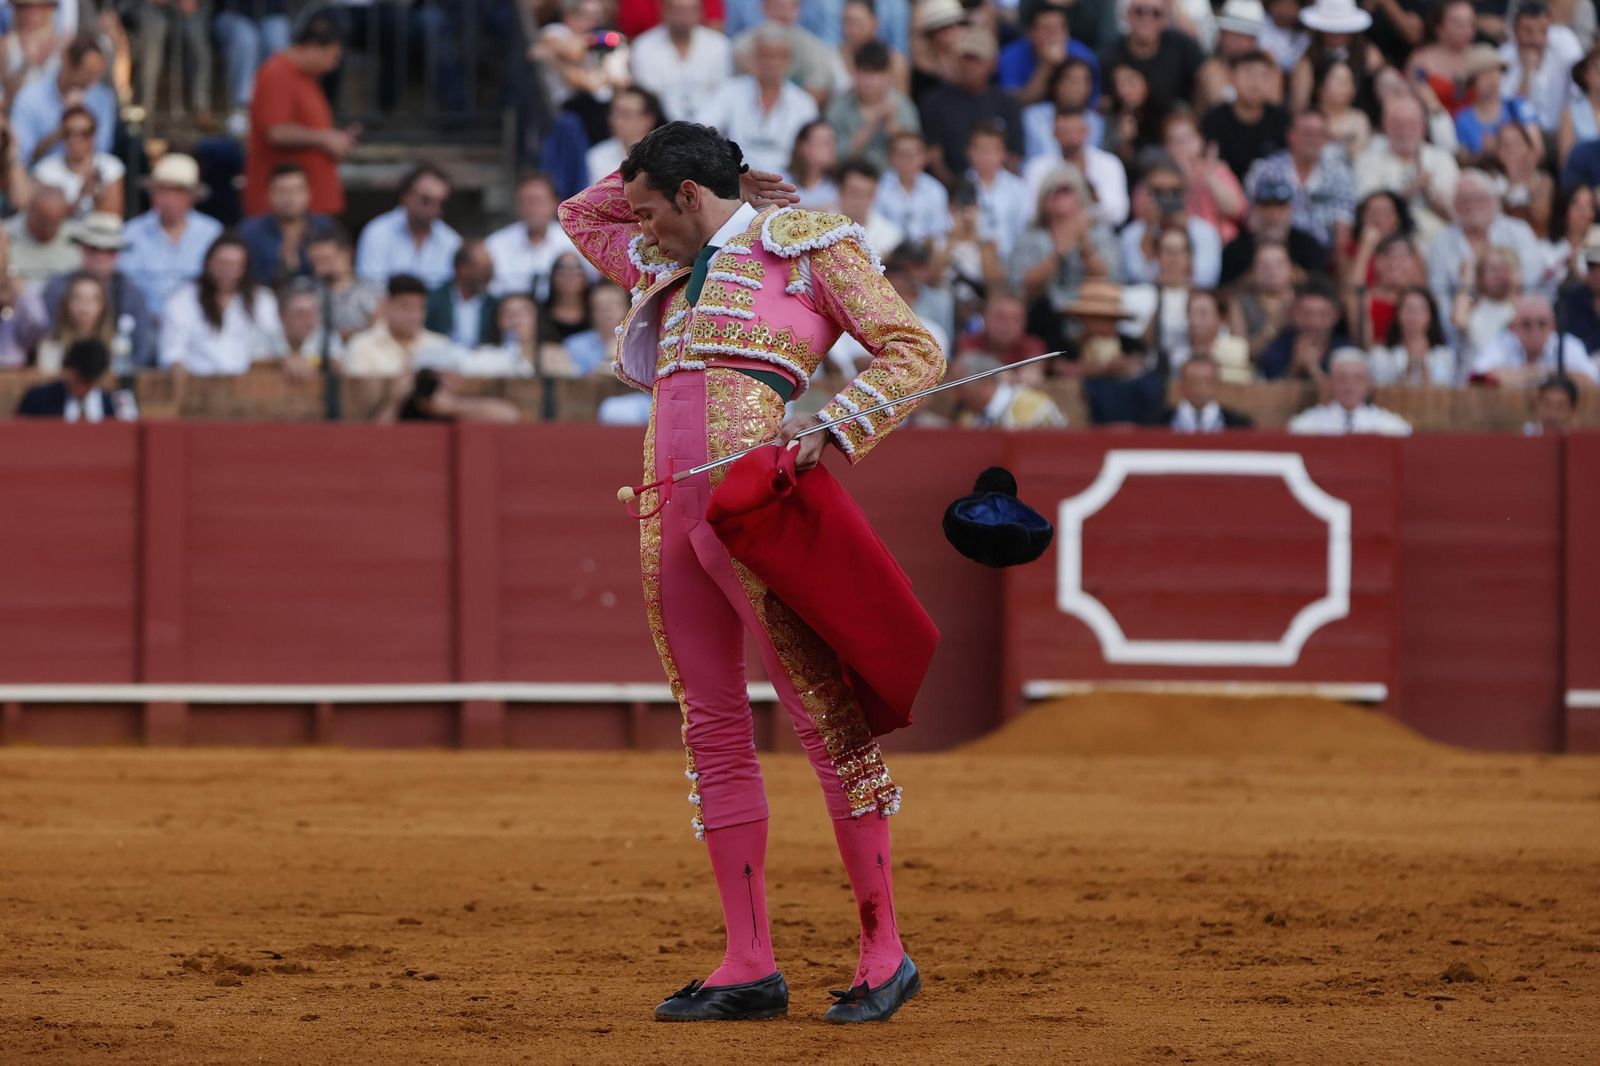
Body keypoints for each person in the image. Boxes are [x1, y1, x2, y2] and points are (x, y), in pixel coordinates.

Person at [557, 120, 942, 1023]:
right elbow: (582, 214)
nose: (638, 230)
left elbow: (915, 348)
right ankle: (747, 960)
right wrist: (714, 177)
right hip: (666, 511)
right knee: (712, 727)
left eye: (653, 210)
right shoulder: (662, 262)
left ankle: (884, 952)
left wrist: (836, 427)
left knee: (822, 719)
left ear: (689, 199)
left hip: (756, 506)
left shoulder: (808, 247)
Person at [245, 10, 353, 218]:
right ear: (314, 48)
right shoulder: (277, 73)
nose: (334, 65)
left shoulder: (307, 79)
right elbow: (276, 131)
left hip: (312, 211)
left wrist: (336, 140)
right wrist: (326, 138)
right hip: (284, 214)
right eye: (333, 56)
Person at [1009, 165, 1118, 352]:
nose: (1058, 195)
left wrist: (1083, 243)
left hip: (1089, 317)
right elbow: (1022, 286)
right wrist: (1059, 253)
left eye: (1066, 190)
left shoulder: (1099, 233)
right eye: (1053, 190)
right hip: (1044, 317)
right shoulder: (1030, 235)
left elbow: (1109, 279)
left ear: (1081, 197)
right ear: (1043, 199)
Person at [696, 27, 820, 176]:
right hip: (737, 179)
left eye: (779, 56)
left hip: (789, 183)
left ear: (789, 61)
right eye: (766, 56)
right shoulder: (729, 91)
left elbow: (813, 150)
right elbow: (702, 127)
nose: (772, 63)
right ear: (754, 59)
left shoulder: (804, 102)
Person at [39, 212, 155, 370]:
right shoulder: (57, 288)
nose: (101, 256)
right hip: (63, 375)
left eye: (110, 251)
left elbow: (141, 351)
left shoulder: (132, 294)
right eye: (93, 249)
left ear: (118, 254)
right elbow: (46, 338)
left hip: (113, 377)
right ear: (81, 248)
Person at [159, 234, 286, 377]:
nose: (228, 270)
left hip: (250, 385)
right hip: (199, 386)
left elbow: (275, 344)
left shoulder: (262, 298)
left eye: (236, 265)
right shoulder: (182, 299)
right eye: (223, 263)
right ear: (208, 263)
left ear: (244, 268)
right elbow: (173, 353)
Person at [917, 28, 1024, 186]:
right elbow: (934, 156)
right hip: (949, 190)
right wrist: (956, 190)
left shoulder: (1007, 103)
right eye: (965, 58)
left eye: (977, 59)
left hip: (1000, 190)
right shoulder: (935, 101)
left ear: (993, 63)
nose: (970, 65)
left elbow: (1014, 155)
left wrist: (995, 190)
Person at [121, 152, 224, 314]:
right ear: (152, 194)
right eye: (162, 190)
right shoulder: (130, 233)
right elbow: (125, 286)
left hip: (197, 322)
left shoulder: (212, 233)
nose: (168, 199)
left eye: (178, 192)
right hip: (143, 322)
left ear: (193, 197)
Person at [1243, 110, 1357, 254]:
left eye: (1319, 134)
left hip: (1321, 257)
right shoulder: (1267, 170)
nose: (1312, 139)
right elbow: (1252, 219)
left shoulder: (1339, 174)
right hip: (1275, 251)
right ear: (1291, 135)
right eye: (1307, 133)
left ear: (1326, 140)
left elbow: (1343, 227)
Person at [11, 33, 113, 167]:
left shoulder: (103, 98)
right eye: (88, 73)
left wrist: (84, 117)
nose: (94, 81)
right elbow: (24, 158)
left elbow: (102, 151)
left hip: (88, 180)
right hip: (40, 182)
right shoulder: (29, 98)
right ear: (68, 64)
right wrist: (63, 127)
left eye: (97, 74)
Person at [355, 164, 462, 289]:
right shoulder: (377, 233)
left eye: (442, 203)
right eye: (426, 200)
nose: (434, 208)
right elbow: (370, 289)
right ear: (406, 195)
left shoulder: (451, 241)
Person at [1021, 106, 1129, 227]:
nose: (1072, 138)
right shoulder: (1037, 167)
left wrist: (1095, 196)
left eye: (1077, 131)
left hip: (1097, 232)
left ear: (1087, 131)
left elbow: (1119, 214)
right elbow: (1030, 213)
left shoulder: (1109, 163)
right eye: (1065, 132)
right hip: (1050, 233)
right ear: (1054, 133)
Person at [1120, 158, 1222, 288]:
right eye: (1158, 191)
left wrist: (1184, 231)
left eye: (1175, 191)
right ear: (1147, 193)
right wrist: (1148, 232)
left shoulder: (1205, 232)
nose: (1167, 198)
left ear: (1185, 193)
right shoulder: (1132, 234)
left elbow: (1205, 279)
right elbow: (1137, 276)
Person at [629, 0, 735, 123]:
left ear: (700, 12)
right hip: (660, 130)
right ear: (665, 10)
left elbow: (723, 95)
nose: (685, 16)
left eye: (691, 9)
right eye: (678, 9)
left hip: (711, 130)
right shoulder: (643, 46)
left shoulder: (719, 45)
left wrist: (702, 129)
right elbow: (649, 98)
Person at [486, 172, 585, 301]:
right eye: (525, 201)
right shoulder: (495, 245)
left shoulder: (576, 243)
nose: (532, 208)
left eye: (538, 201)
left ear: (555, 204)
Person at [825, 40, 920, 172]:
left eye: (876, 74)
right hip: (847, 181)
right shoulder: (838, 106)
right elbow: (834, 156)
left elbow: (914, 154)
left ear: (888, 75)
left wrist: (893, 127)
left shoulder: (903, 106)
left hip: (892, 181)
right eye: (864, 72)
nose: (869, 81)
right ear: (854, 73)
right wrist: (871, 125)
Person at [1219, 175, 1331, 287]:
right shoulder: (1235, 250)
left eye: (1280, 207)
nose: (1273, 216)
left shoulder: (1308, 247)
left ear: (1290, 210)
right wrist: (1249, 280)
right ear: (1253, 210)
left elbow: (1324, 289)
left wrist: (1300, 279)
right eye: (1266, 207)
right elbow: (1219, 293)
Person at [1473, 292, 1600, 385]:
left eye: (1542, 323)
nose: (1535, 331)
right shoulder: (1501, 342)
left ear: (1553, 325)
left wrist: (1518, 376)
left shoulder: (1567, 344)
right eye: (1526, 324)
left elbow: (1589, 380)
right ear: (1514, 327)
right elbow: (1479, 377)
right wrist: (1549, 374)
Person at [239, 163, 334, 286]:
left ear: (309, 193)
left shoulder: (325, 227)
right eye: (282, 191)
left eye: (296, 190)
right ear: (269, 194)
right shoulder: (250, 232)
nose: (289, 197)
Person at [344, 273, 455, 379]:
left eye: (420, 308)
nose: (414, 316)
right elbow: (358, 393)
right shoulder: (361, 345)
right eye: (406, 307)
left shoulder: (440, 345)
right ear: (386, 305)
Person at [1201, 49, 1289, 182]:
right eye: (1248, 73)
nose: (1255, 82)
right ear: (1231, 77)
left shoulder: (1282, 120)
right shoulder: (1214, 119)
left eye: (1264, 76)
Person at [1099, 0, 1205, 108]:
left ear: (1165, 19)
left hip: (1172, 118)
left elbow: (1206, 70)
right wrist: (1119, 96)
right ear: (1127, 15)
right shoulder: (1110, 53)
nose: (1147, 18)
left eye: (1156, 13)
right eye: (1139, 12)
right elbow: (1099, 103)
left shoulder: (1181, 43)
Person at [1499, 0, 1583, 134]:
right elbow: (1511, 110)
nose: (1536, 39)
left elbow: (1579, 92)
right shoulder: (1504, 57)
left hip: (1563, 132)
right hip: (1524, 136)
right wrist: (1526, 72)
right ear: (1514, 31)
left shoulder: (1565, 42)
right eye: (1528, 31)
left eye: (1543, 31)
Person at [730, 0, 840, 101]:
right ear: (764, 8)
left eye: (789, 7)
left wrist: (789, 106)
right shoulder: (746, 40)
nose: (783, 13)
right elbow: (740, 55)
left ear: (798, 10)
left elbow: (818, 86)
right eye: (777, 6)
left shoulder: (811, 45)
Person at [1288, 348, 1414, 434]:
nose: (1349, 386)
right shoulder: (1308, 424)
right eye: (1342, 378)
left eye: (1357, 379)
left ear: (1368, 384)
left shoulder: (1389, 425)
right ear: (1331, 383)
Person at [1000, 1, 1100, 107]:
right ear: (1030, 33)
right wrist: (1046, 66)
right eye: (1046, 28)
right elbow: (1013, 104)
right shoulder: (1010, 56)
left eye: (1059, 28)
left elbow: (1089, 104)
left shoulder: (1084, 56)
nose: (1053, 35)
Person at [213, 0, 292, 133]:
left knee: (276, 43)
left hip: (272, 14)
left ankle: (276, 106)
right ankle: (242, 108)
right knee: (246, 41)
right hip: (233, 13)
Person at [30, 105, 122, 219]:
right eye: (69, 133)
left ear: (94, 135)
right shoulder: (45, 170)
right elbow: (46, 219)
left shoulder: (110, 166)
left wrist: (98, 197)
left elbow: (112, 219)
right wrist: (81, 197)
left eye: (84, 133)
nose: (76, 139)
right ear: (61, 135)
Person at [16, 337, 137, 422]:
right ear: (68, 370)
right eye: (79, 380)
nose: (83, 388)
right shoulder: (37, 399)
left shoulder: (117, 404)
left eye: (89, 382)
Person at [1259, 276, 1352, 381]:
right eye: (1306, 314)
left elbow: (1347, 395)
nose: (1314, 322)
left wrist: (1314, 369)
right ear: (1294, 313)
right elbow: (1269, 392)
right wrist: (1295, 368)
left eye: (1323, 315)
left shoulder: (1347, 352)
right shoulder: (1277, 348)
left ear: (1336, 315)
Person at [1455, 45, 1538, 158]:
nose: (1493, 79)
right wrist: (1484, 154)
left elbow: (1538, 150)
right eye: (1485, 74)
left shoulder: (1519, 107)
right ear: (1471, 82)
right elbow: (1463, 160)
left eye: (1497, 72)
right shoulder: (1463, 119)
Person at [139, 0, 212, 123]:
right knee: (154, 35)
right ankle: (147, 108)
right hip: (148, 7)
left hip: (191, 9)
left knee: (199, 44)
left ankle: (201, 106)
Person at [872, 132, 950, 246]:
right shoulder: (878, 186)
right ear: (890, 157)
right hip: (887, 252)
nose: (908, 160)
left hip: (924, 253)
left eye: (913, 154)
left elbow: (939, 231)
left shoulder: (936, 190)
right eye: (902, 155)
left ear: (924, 157)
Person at [951, 352, 1067, 428]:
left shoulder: (1036, 408)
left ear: (984, 382)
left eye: (959, 388)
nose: (956, 396)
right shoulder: (967, 418)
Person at [306, 226, 384, 340]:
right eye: (316, 261)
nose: (319, 268)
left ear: (346, 253)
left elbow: (382, 329)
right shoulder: (304, 290)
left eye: (326, 259)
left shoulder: (375, 291)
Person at [965, 121, 1028, 260]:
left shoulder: (1019, 189)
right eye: (980, 149)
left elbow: (1024, 232)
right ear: (969, 151)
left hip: (1010, 263)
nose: (986, 155)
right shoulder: (960, 185)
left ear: (1003, 153)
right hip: (970, 261)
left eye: (992, 150)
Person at [1369, 286, 1456, 385]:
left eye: (1420, 310)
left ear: (1431, 316)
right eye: (1409, 309)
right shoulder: (1381, 355)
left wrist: (1423, 367)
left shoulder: (1444, 355)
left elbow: (1443, 392)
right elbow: (1382, 392)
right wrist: (1408, 370)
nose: (1414, 315)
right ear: (1397, 314)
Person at [425, 239, 500, 351]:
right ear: (462, 269)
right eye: (483, 269)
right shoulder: (434, 301)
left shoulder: (493, 305)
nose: (489, 275)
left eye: (490, 268)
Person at [34, 270, 112, 374]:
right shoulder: (51, 344)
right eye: (78, 298)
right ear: (67, 303)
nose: (84, 305)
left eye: (92, 299)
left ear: (103, 306)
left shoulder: (116, 346)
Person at [1230, 240, 1296, 361]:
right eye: (1264, 265)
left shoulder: (1303, 302)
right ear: (1253, 272)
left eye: (1278, 264)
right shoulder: (1241, 303)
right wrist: (1273, 328)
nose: (1271, 271)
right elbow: (1241, 353)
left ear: (1291, 269)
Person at [587, 86, 667, 185]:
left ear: (648, 119)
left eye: (625, 114)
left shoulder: (665, 156)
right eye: (614, 113)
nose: (617, 121)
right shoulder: (597, 156)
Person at [4, 180, 79, 283]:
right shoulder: (5, 235)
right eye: (42, 222)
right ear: (29, 211)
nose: (47, 229)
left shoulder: (78, 238)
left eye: (54, 223)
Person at [1157, 354, 1254, 431]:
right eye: (1193, 381)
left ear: (1217, 385)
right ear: (1181, 386)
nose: (1200, 388)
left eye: (1206, 381)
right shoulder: (1158, 424)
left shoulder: (1239, 426)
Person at [959, 288, 1049, 367]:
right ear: (985, 317)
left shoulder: (1033, 346)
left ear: (1025, 322)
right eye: (1000, 317)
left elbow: (1034, 368)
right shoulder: (969, 343)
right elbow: (965, 364)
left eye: (1015, 319)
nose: (1007, 325)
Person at [786, 119, 840, 211]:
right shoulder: (780, 180)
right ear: (804, 147)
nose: (832, 147)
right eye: (825, 142)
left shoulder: (840, 187)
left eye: (833, 141)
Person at [1559, 45, 1600, 165]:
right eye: (1598, 70)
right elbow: (1565, 163)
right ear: (1586, 75)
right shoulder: (1571, 113)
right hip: (1584, 181)